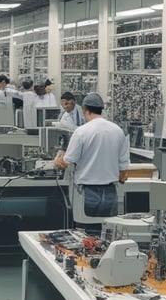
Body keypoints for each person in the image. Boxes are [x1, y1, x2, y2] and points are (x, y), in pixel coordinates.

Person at [54, 93, 129, 222]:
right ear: (101, 109)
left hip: (88, 191)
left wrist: (58, 159)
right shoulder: (117, 131)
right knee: (108, 229)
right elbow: (123, 167)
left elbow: (67, 162)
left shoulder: (81, 132)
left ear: (84, 109)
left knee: (87, 229)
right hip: (110, 191)